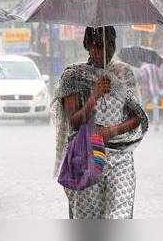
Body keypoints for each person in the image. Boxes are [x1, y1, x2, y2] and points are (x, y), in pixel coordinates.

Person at [52, 26, 148, 219]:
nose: (104, 50)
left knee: (119, 216)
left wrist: (111, 131)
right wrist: (94, 95)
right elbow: (74, 121)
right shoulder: (74, 76)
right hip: (86, 156)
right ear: (87, 45)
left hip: (120, 156)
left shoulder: (123, 73)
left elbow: (137, 116)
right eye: (97, 45)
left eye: (109, 44)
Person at [139, 61, 163, 131]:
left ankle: (142, 124)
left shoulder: (142, 69)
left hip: (146, 92)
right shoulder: (155, 67)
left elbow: (141, 79)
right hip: (155, 91)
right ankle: (156, 125)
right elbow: (160, 78)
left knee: (143, 108)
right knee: (155, 108)